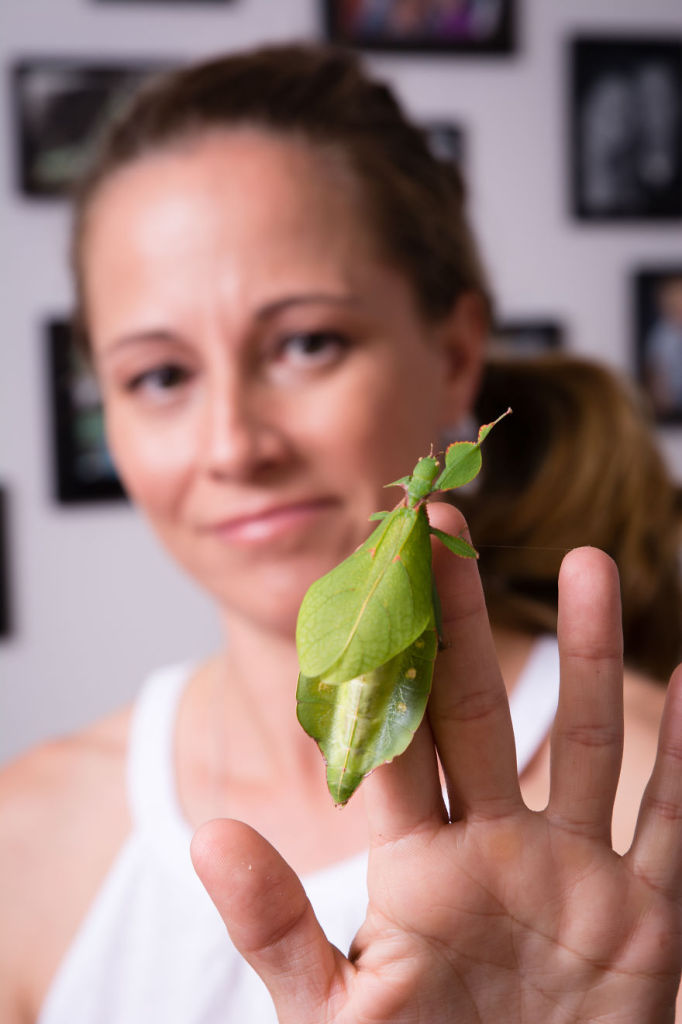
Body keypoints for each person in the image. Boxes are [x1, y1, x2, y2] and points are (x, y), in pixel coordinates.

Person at [1, 42, 681, 1023]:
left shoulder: (648, 831)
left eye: (306, 343)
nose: (234, 444)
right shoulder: (21, 839)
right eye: (160, 375)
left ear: (454, 355)